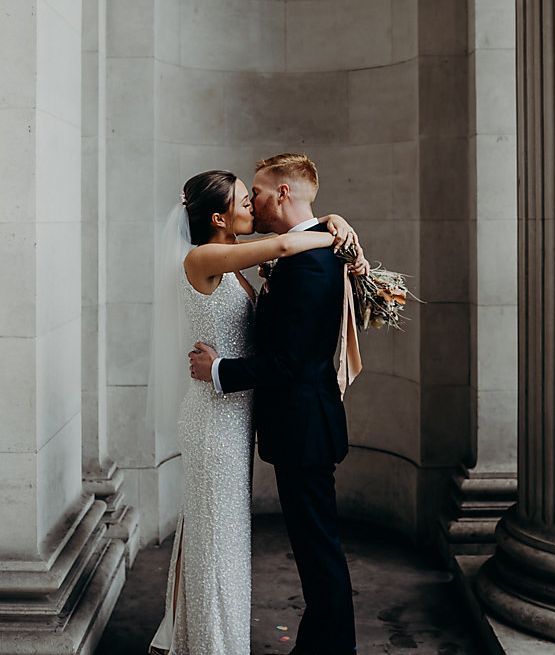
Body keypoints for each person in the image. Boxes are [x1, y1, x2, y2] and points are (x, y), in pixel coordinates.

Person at [148, 166, 364, 655]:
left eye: (256, 194)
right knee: (215, 537)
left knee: (223, 537)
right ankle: (210, 643)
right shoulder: (206, 258)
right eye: (245, 199)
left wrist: (331, 223)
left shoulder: (235, 261)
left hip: (244, 417)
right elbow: (286, 246)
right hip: (213, 419)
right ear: (220, 216)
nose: (253, 204)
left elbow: (284, 343)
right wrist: (333, 232)